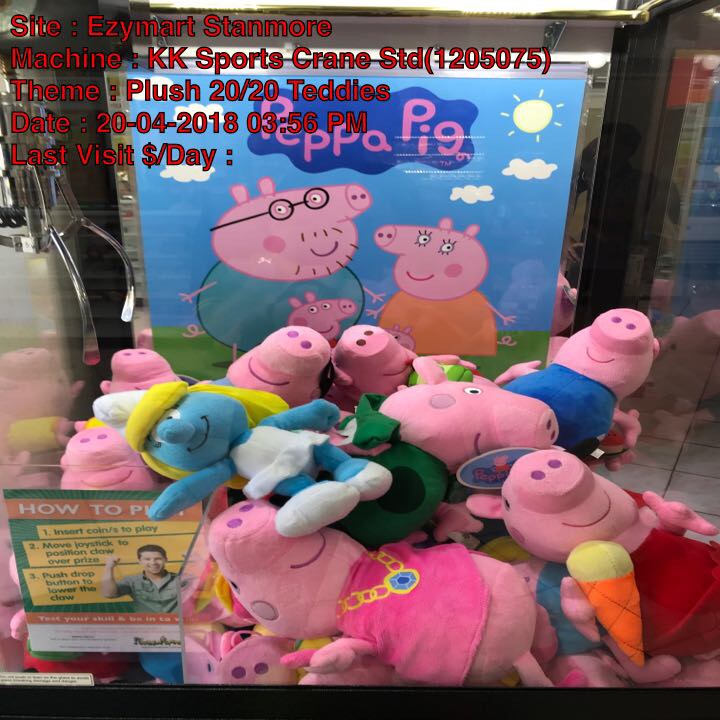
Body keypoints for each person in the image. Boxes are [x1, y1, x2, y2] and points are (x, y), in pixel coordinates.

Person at [100, 544, 181, 614]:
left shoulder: (181, 579)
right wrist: (109, 567)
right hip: (146, 625)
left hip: (177, 624)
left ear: (166, 559)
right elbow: (109, 594)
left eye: (158, 559)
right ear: (140, 561)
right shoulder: (131, 581)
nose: (153, 563)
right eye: (147, 559)